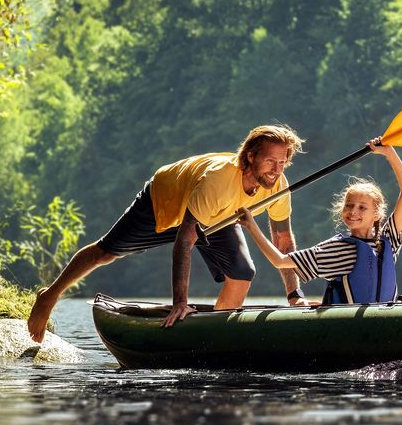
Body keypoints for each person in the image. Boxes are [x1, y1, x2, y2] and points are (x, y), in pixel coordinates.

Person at [25, 124, 307, 340]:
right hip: (165, 201)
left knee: (243, 272)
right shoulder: (220, 181)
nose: (276, 170)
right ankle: (49, 296)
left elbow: (283, 241)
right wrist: (179, 304)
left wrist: (294, 293)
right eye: (271, 161)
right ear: (250, 156)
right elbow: (185, 240)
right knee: (106, 252)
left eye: (283, 163)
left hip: (217, 214)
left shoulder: (278, 186)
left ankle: (214, 337)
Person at [236, 138, 402, 305]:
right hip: (348, 325)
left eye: (362, 207)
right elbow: (280, 261)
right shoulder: (336, 249)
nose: (353, 212)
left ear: (377, 214)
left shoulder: (389, 242)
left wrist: (389, 153)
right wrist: (251, 225)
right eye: (349, 206)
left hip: (381, 319)